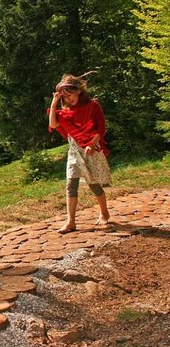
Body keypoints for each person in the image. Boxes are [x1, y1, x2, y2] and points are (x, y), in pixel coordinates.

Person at [48, 73, 112, 234]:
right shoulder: (64, 112)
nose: (68, 99)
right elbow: (53, 124)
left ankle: (104, 212)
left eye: (70, 95)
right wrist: (54, 103)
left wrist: (91, 144)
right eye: (65, 97)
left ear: (78, 91)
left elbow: (101, 129)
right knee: (71, 185)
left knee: (94, 185)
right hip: (74, 151)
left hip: (92, 150)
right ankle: (70, 221)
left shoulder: (93, 106)